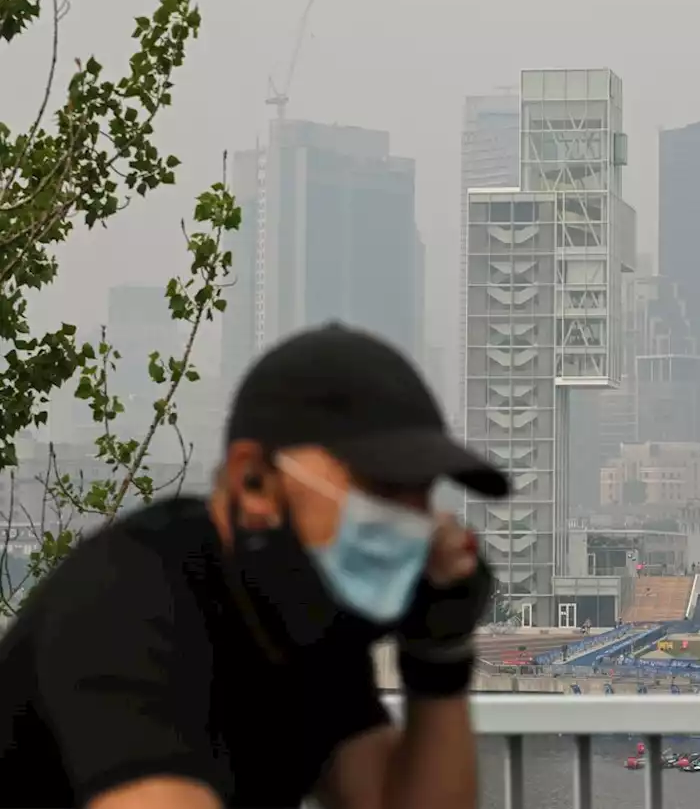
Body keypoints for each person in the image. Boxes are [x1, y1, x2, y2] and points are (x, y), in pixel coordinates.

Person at [0, 323, 510, 809]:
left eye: (420, 495)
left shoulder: (304, 616)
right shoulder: (126, 599)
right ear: (254, 480)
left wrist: (439, 652)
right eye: (380, 487)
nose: (411, 521)